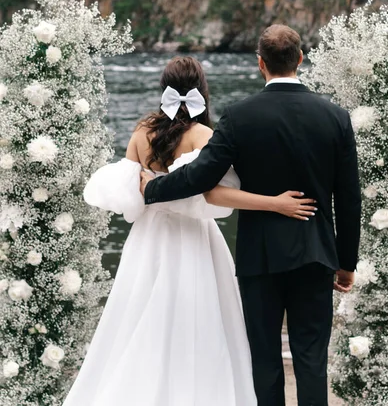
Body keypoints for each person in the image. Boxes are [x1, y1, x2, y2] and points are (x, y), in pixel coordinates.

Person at [62, 55, 316, 406]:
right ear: (202, 90)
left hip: (148, 239)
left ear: (163, 88)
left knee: (140, 317)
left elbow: (129, 193)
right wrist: (275, 202)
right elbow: (218, 196)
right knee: (199, 321)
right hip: (194, 238)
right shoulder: (203, 136)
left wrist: (151, 188)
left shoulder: (141, 132)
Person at [141, 26, 362, 406]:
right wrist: (346, 263)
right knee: (312, 360)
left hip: (260, 258)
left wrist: (152, 189)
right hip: (316, 255)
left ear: (260, 63)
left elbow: (201, 176)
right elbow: (349, 198)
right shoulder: (336, 117)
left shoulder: (239, 116)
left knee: (264, 359)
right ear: (301, 59)